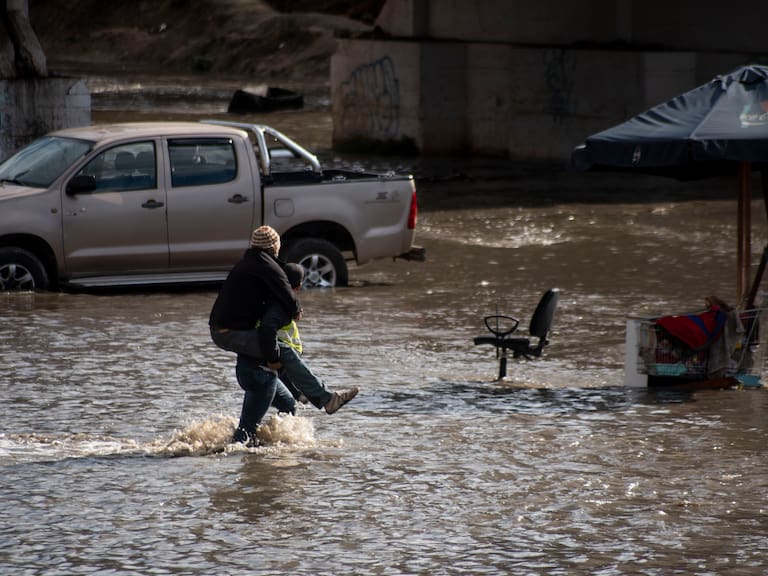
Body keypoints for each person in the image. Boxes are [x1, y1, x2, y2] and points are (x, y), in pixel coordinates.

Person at [209, 226, 357, 445]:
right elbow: (287, 296)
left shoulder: (249, 264)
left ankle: (272, 447)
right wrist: (296, 310)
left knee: (288, 405)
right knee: (283, 351)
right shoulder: (268, 267)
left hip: (227, 335)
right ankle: (326, 399)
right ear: (274, 247)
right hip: (229, 334)